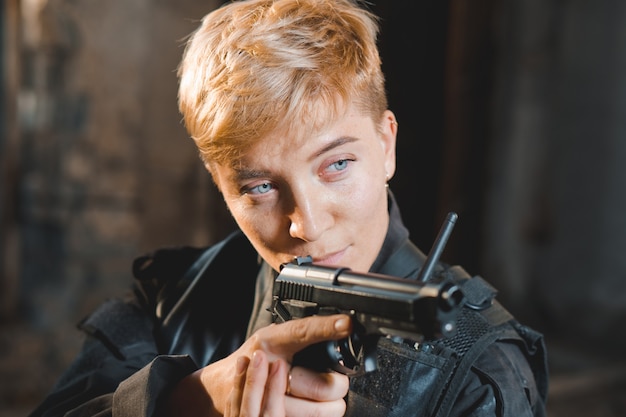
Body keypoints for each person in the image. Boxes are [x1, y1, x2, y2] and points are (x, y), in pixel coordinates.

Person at [29, 0, 549, 416]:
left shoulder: (479, 368)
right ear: (219, 185)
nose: (307, 223)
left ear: (386, 145)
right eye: (259, 187)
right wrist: (180, 402)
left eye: (337, 164)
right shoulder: (172, 297)